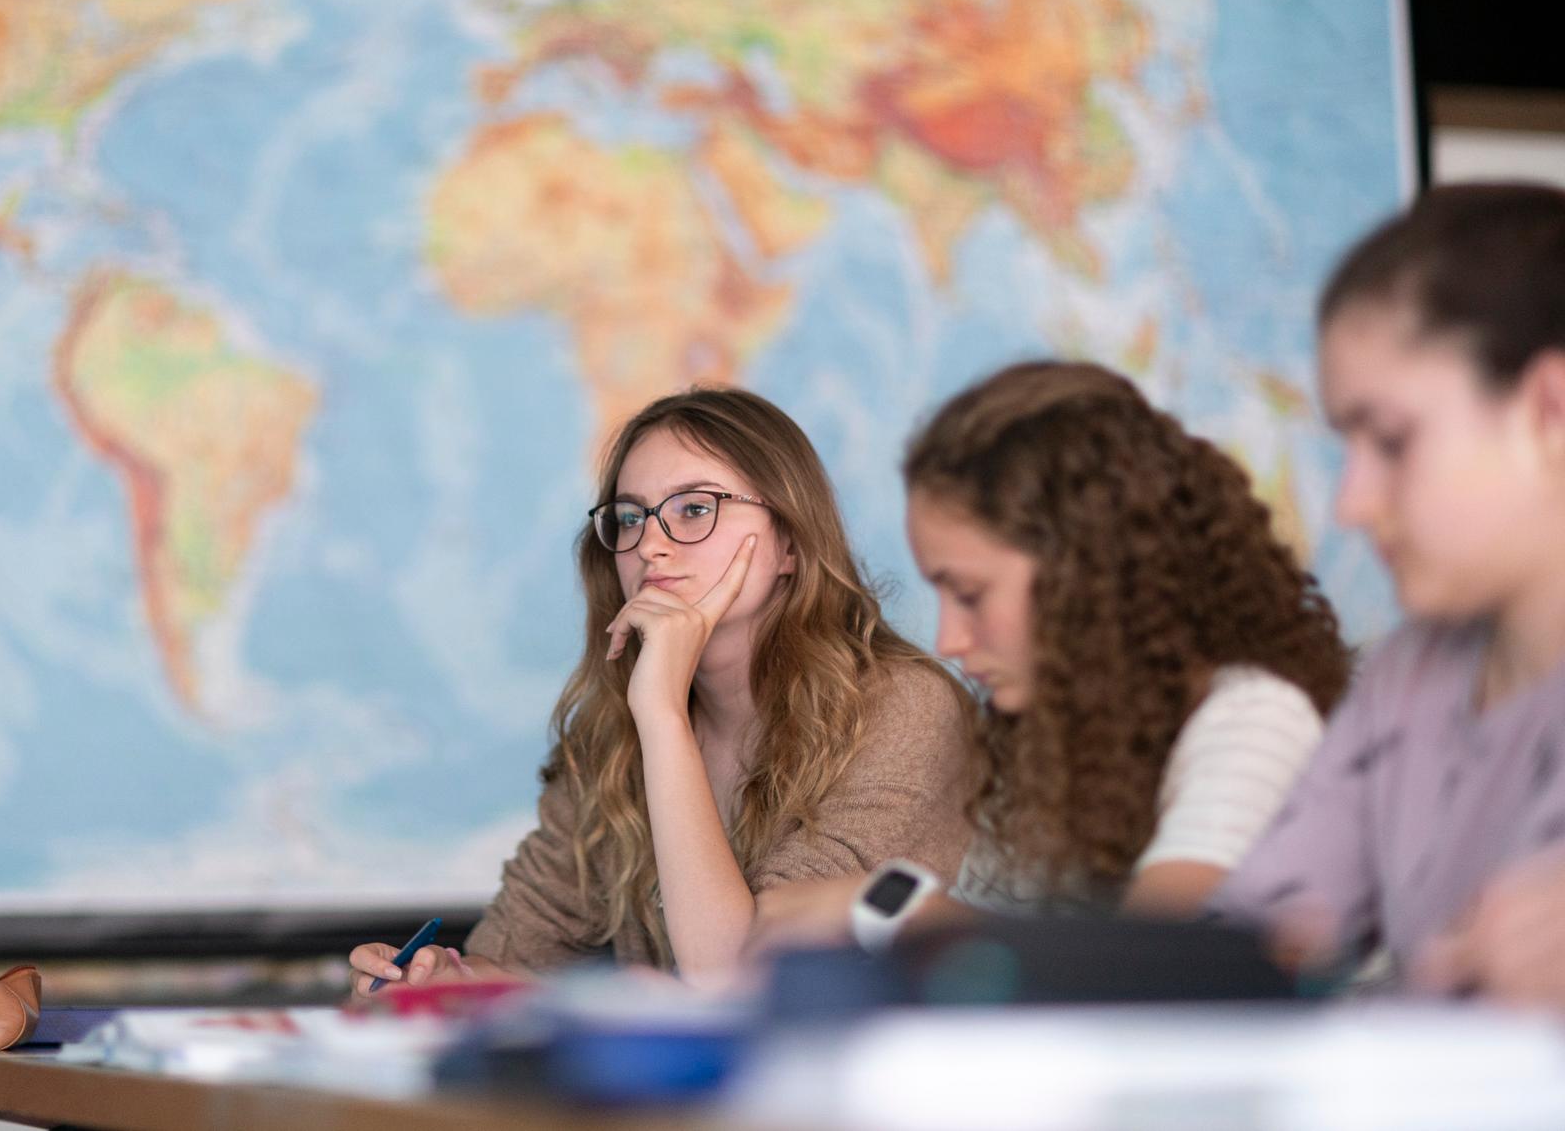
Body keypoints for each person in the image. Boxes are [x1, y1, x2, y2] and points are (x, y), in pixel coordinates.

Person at [348, 386, 973, 994]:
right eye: (629, 517)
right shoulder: (611, 733)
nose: (649, 544)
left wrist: (662, 716)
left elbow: (740, 983)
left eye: (694, 509)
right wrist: (436, 980)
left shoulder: (905, 709)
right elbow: (517, 956)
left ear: (788, 540)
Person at [750, 361, 1351, 950]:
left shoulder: (1258, 715)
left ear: (1086, 574)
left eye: (970, 595)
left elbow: (1154, 964)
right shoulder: (1051, 746)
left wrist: (889, 909)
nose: (948, 642)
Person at [1210, 182, 1565, 994]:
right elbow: (1255, 946)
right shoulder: (1409, 676)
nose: (1352, 503)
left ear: (1550, 410)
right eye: (1348, 446)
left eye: (1393, 441)